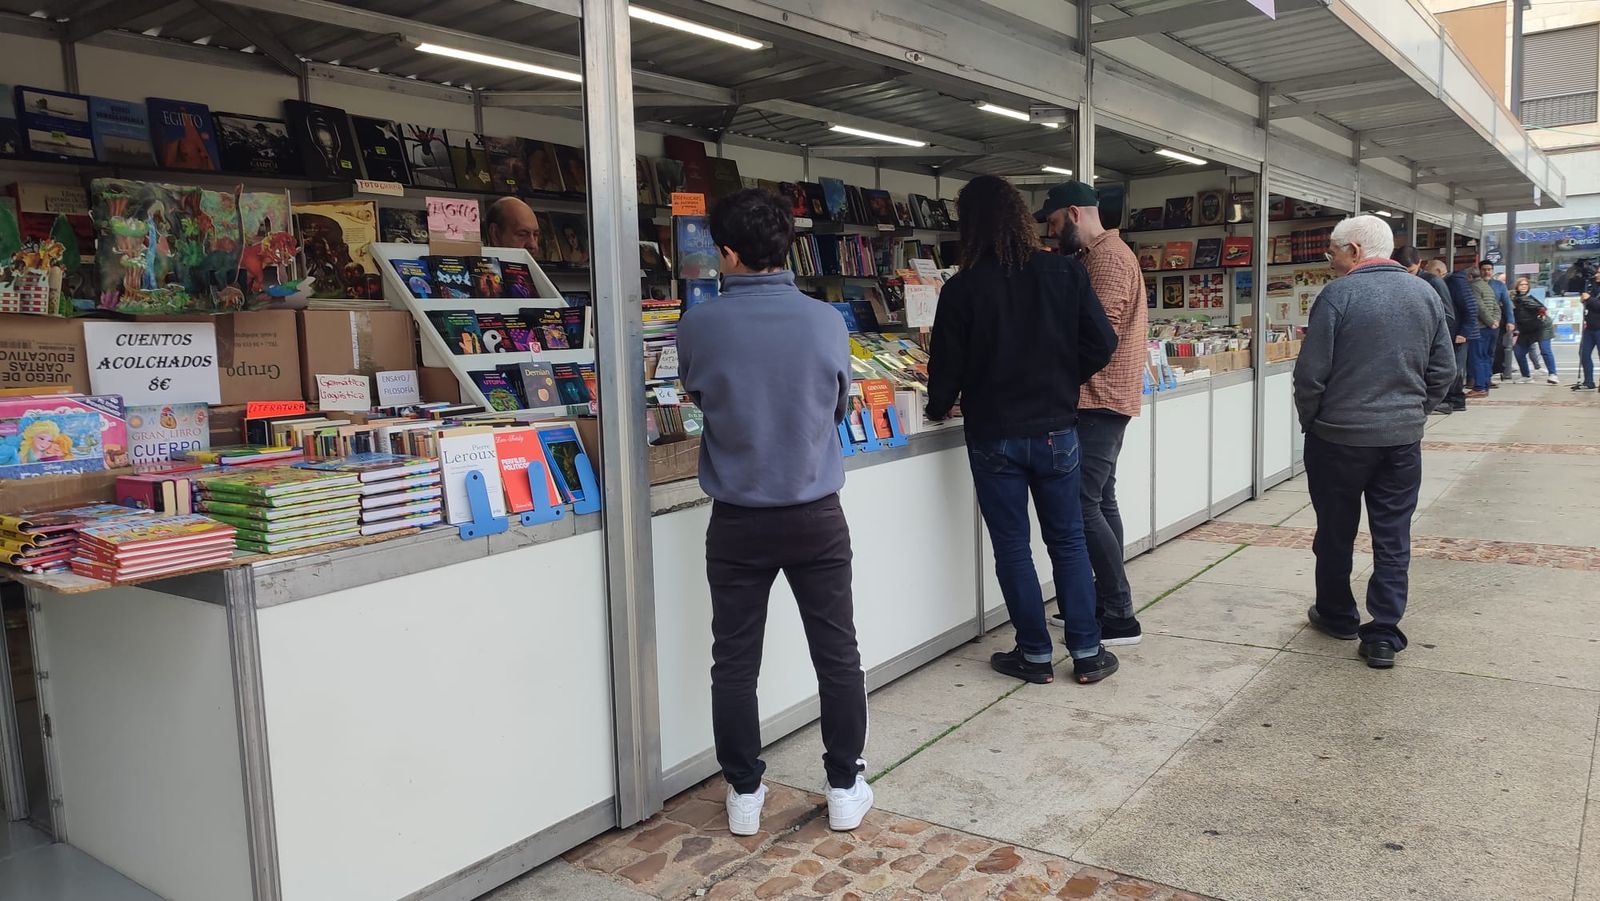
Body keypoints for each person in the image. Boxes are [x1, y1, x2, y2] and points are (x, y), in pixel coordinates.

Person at [677, 188, 872, 836]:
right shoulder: (826, 322)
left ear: (727, 251)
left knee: (733, 659)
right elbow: (839, 407)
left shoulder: (699, 325)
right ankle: (844, 784)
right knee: (837, 651)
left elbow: (696, 393)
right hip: (816, 510)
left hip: (736, 516)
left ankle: (744, 792)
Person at [925, 175, 1120, 685]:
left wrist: (941, 405)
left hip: (992, 433)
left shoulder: (962, 288)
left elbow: (945, 369)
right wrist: (1060, 378)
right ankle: (1088, 652)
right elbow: (1102, 343)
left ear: (970, 227)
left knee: (1012, 547)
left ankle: (1034, 654)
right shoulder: (1063, 273)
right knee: (1068, 541)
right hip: (1057, 428)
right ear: (1018, 216)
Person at [1295, 216, 1454, 669]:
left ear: (1356, 251)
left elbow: (1310, 375)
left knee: (1334, 531)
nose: (1330, 258)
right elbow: (1443, 370)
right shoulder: (1423, 292)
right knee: (1392, 535)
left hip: (1338, 439)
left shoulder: (1338, 296)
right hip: (1400, 441)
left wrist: (1314, 421)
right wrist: (1414, 413)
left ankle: (1337, 614)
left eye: (1333, 250)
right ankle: (1384, 632)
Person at [1038, 182, 1148, 645]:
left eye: (1054, 221)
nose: (1051, 230)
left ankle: (1119, 614)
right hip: (1102, 396)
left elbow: (1092, 332)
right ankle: (1103, 601)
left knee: (1083, 504)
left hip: (1097, 397)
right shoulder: (1096, 256)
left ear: (1075, 214)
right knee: (1101, 500)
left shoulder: (1108, 258)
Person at [1392, 248, 1456, 413]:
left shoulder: (1433, 282)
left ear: (1420, 264)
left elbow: (1448, 315)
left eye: (1411, 271)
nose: (1407, 275)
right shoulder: (1396, 282)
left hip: (1426, 341)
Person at [1433, 259, 1472, 412]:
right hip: (1454, 331)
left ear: (1438, 272)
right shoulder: (1451, 282)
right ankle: (1452, 399)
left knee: (1455, 367)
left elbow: (1469, 307)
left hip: (1458, 333)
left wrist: (1464, 332)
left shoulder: (1455, 283)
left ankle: (1455, 400)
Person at [1510, 276, 1560, 385]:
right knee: (1519, 351)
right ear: (1517, 286)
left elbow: (1541, 308)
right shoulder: (1515, 299)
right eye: (1521, 285)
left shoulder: (1526, 299)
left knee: (1545, 350)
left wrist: (1541, 315)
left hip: (1541, 327)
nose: (1524, 287)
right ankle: (1526, 375)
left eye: (1525, 285)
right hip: (1527, 328)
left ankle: (1553, 374)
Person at [1464, 267, 1499, 397]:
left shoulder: (1473, 287)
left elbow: (1479, 307)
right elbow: (1496, 306)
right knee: (1484, 357)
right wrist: (1495, 321)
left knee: (1476, 358)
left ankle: (1479, 387)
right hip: (1490, 328)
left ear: (1470, 277)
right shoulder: (1487, 287)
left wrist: (1490, 321)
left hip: (1479, 327)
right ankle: (1484, 385)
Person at [1480, 260, 1515, 382]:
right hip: (1479, 323)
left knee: (1493, 350)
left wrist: (1511, 321)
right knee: (1481, 352)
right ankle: (1481, 379)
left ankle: (1488, 376)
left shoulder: (1499, 285)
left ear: (1492, 271)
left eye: (1489, 269)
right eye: (1484, 269)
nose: (1486, 272)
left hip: (1495, 322)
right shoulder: (1476, 284)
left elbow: (1507, 304)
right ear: (1480, 270)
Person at [1579, 267, 1600, 391]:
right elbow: (1587, 300)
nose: (1597, 275)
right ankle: (1588, 381)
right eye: (1597, 272)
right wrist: (1583, 299)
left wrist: (1588, 299)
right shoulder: (1591, 284)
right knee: (1584, 353)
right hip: (1590, 327)